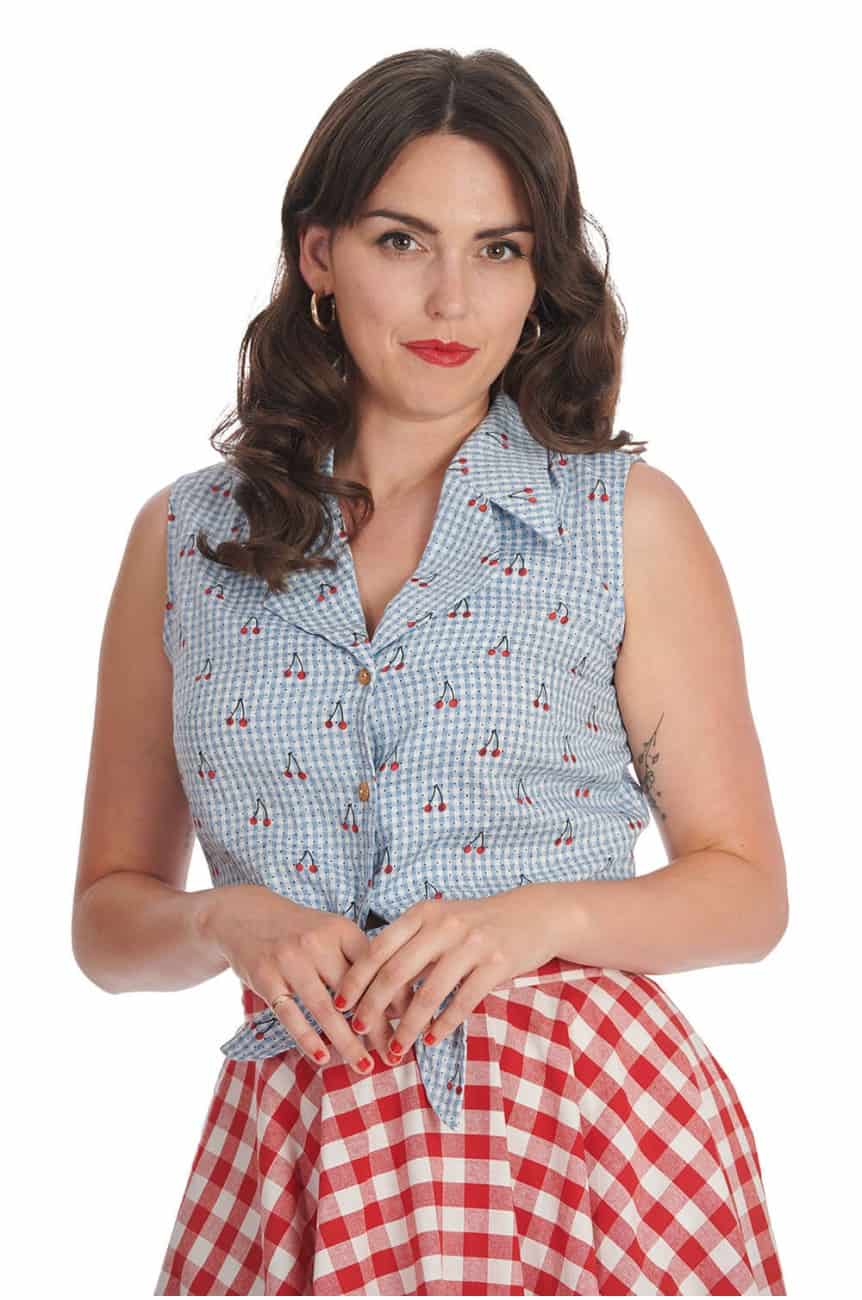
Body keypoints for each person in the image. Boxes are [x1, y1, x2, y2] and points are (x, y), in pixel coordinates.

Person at [72, 47, 789, 1296]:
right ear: (318, 253)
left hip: (580, 1143)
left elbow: (745, 891)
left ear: (540, 275)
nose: (452, 298)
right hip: (295, 1150)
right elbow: (105, 919)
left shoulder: (621, 523)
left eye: (499, 249)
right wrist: (220, 920)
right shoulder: (184, 541)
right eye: (402, 241)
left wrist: (540, 919)